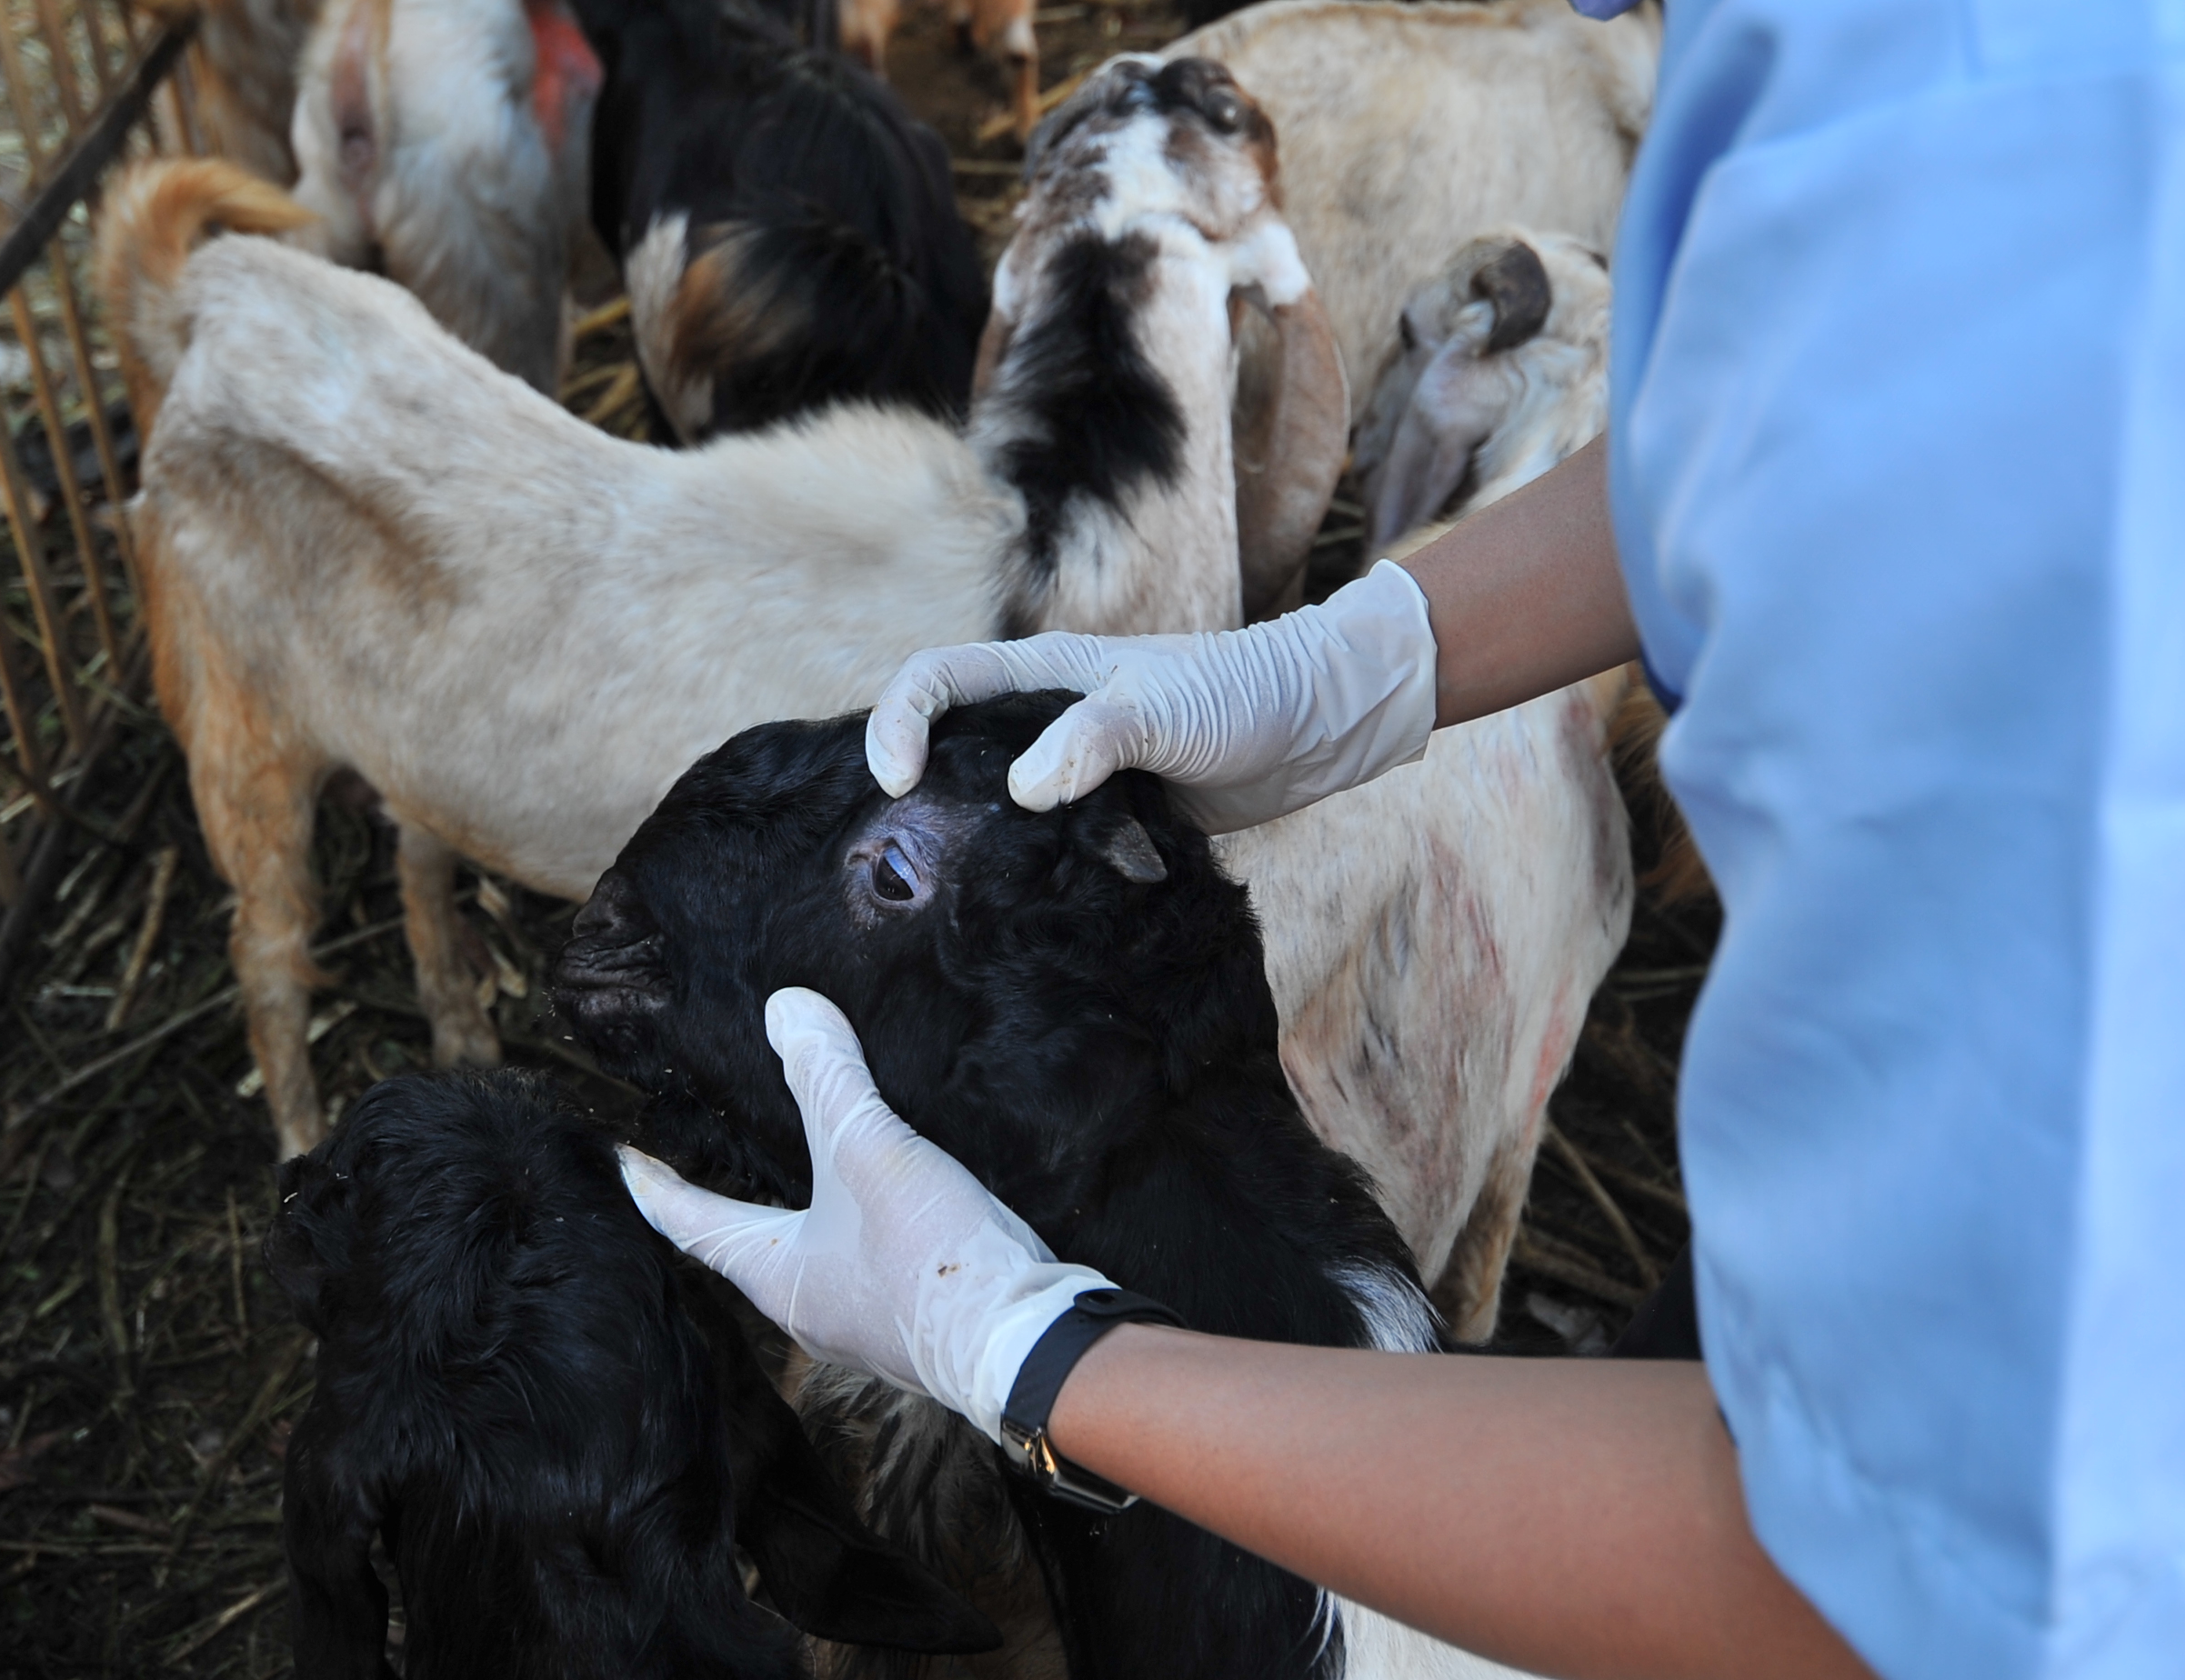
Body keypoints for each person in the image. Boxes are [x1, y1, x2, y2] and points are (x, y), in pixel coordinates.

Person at [616, 2, 2185, 1675]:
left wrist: (1029, 1352)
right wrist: (1350, 659)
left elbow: (1840, 1572)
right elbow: (1811, 405)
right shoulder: (1905, 73)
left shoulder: (2079, 841)